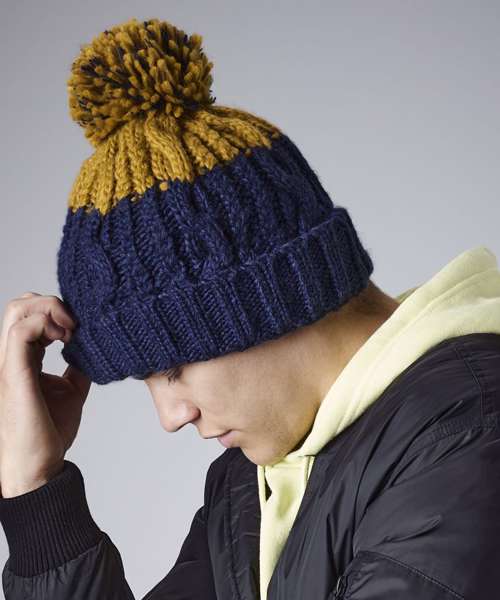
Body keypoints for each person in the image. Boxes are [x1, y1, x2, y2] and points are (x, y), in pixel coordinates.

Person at [0, 16, 499, 600]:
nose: (171, 417)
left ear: (272, 303)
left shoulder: (465, 439)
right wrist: (38, 497)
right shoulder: (249, 486)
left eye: (171, 368)